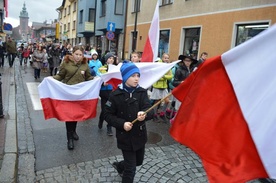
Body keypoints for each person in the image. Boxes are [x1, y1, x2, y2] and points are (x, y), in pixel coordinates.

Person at [104, 61, 154, 183]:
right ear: (125, 77)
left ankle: (120, 166)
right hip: (125, 137)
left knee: (138, 162)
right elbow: (107, 114)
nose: (136, 79)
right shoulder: (115, 95)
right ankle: (125, 169)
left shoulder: (141, 92)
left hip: (140, 135)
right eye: (133, 76)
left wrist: (145, 113)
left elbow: (150, 111)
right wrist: (122, 124)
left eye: (138, 75)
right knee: (131, 169)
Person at [53, 45, 94, 150]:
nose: (78, 57)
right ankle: (69, 139)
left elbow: (88, 77)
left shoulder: (85, 65)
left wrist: (96, 79)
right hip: (68, 94)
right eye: (76, 54)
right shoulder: (66, 63)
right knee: (69, 117)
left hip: (79, 95)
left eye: (80, 55)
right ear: (72, 54)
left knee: (75, 115)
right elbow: (60, 76)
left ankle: (74, 131)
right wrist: (51, 79)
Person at [150, 53, 173, 122]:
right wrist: (164, 77)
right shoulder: (158, 65)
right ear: (162, 58)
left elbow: (170, 76)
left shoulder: (168, 66)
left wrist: (164, 77)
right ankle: (154, 115)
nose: (166, 59)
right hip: (157, 86)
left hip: (164, 87)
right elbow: (156, 76)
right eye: (165, 58)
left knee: (167, 101)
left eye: (167, 58)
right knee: (157, 102)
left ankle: (162, 113)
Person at [98, 53, 115, 136]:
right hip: (104, 92)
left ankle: (109, 127)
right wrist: (102, 84)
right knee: (104, 109)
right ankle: (101, 119)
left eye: (112, 58)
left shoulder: (115, 69)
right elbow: (98, 79)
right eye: (110, 58)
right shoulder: (101, 68)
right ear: (106, 59)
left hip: (111, 92)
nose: (111, 60)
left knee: (110, 109)